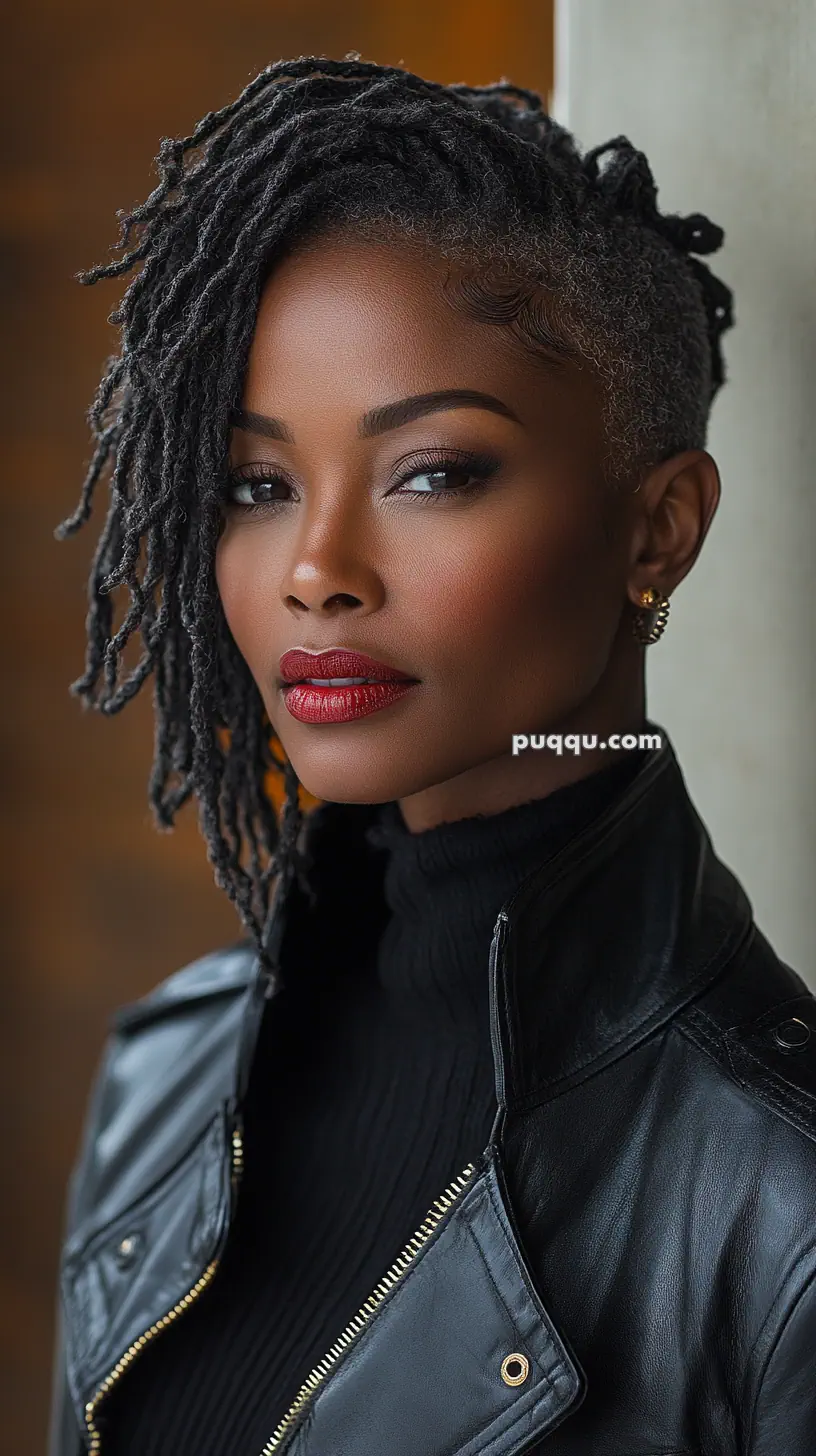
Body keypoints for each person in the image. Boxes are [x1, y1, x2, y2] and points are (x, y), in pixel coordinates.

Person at [49, 55, 815, 1456]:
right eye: (257, 486)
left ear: (658, 530)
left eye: (434, 472)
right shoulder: (167, 1074)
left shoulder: (781, 1201)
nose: (317, 569)